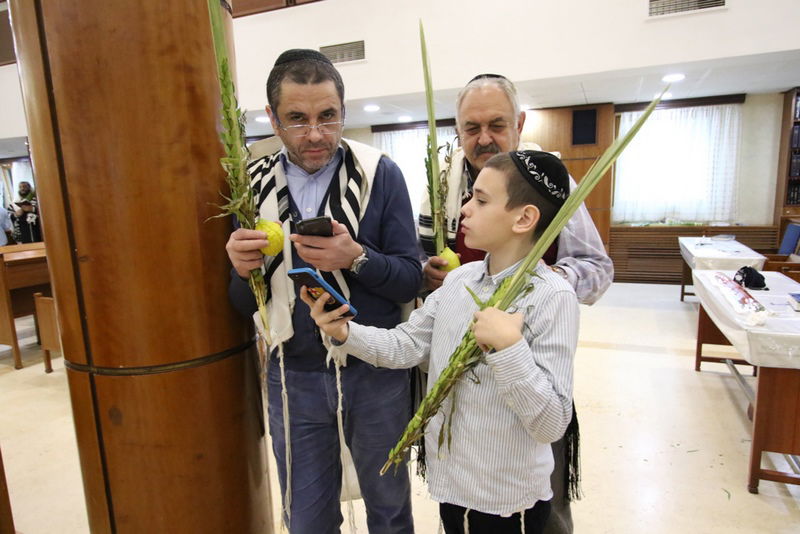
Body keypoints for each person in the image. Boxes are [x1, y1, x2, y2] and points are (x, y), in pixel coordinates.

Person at [306, 150, 578, 533]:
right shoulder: (460, 281)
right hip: (452, 486)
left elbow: (551, 424)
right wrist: (344, 333)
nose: (465, 209)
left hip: (507, 501)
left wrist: (509, 349)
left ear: (524, 218)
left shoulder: (552, 297)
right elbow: (406, 345)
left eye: (480, 200)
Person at [225, 49, 420, 533]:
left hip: (375, 369)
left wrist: (356, 257)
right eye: (297, 119)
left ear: (343, 111)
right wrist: (241, 271)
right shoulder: (250, 187)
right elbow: (241, 304)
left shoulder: (379, 174)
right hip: (292, 373)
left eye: (328, 116)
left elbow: (410, 279)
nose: (315, 134)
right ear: (272, 118)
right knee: (306, 519)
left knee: (389, 513)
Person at [418, 74, 614, 534]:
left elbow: (597, 267)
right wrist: (429, 275)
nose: (483, 138)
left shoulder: (548, 183)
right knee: (462, 497)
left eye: (496, 124)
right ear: (457, 130)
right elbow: (418, 259)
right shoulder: (439, 186)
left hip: (524, 367)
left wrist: (533, 285)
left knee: (538, 502)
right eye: (471, 128)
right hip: (460, 380)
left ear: (520, 124)